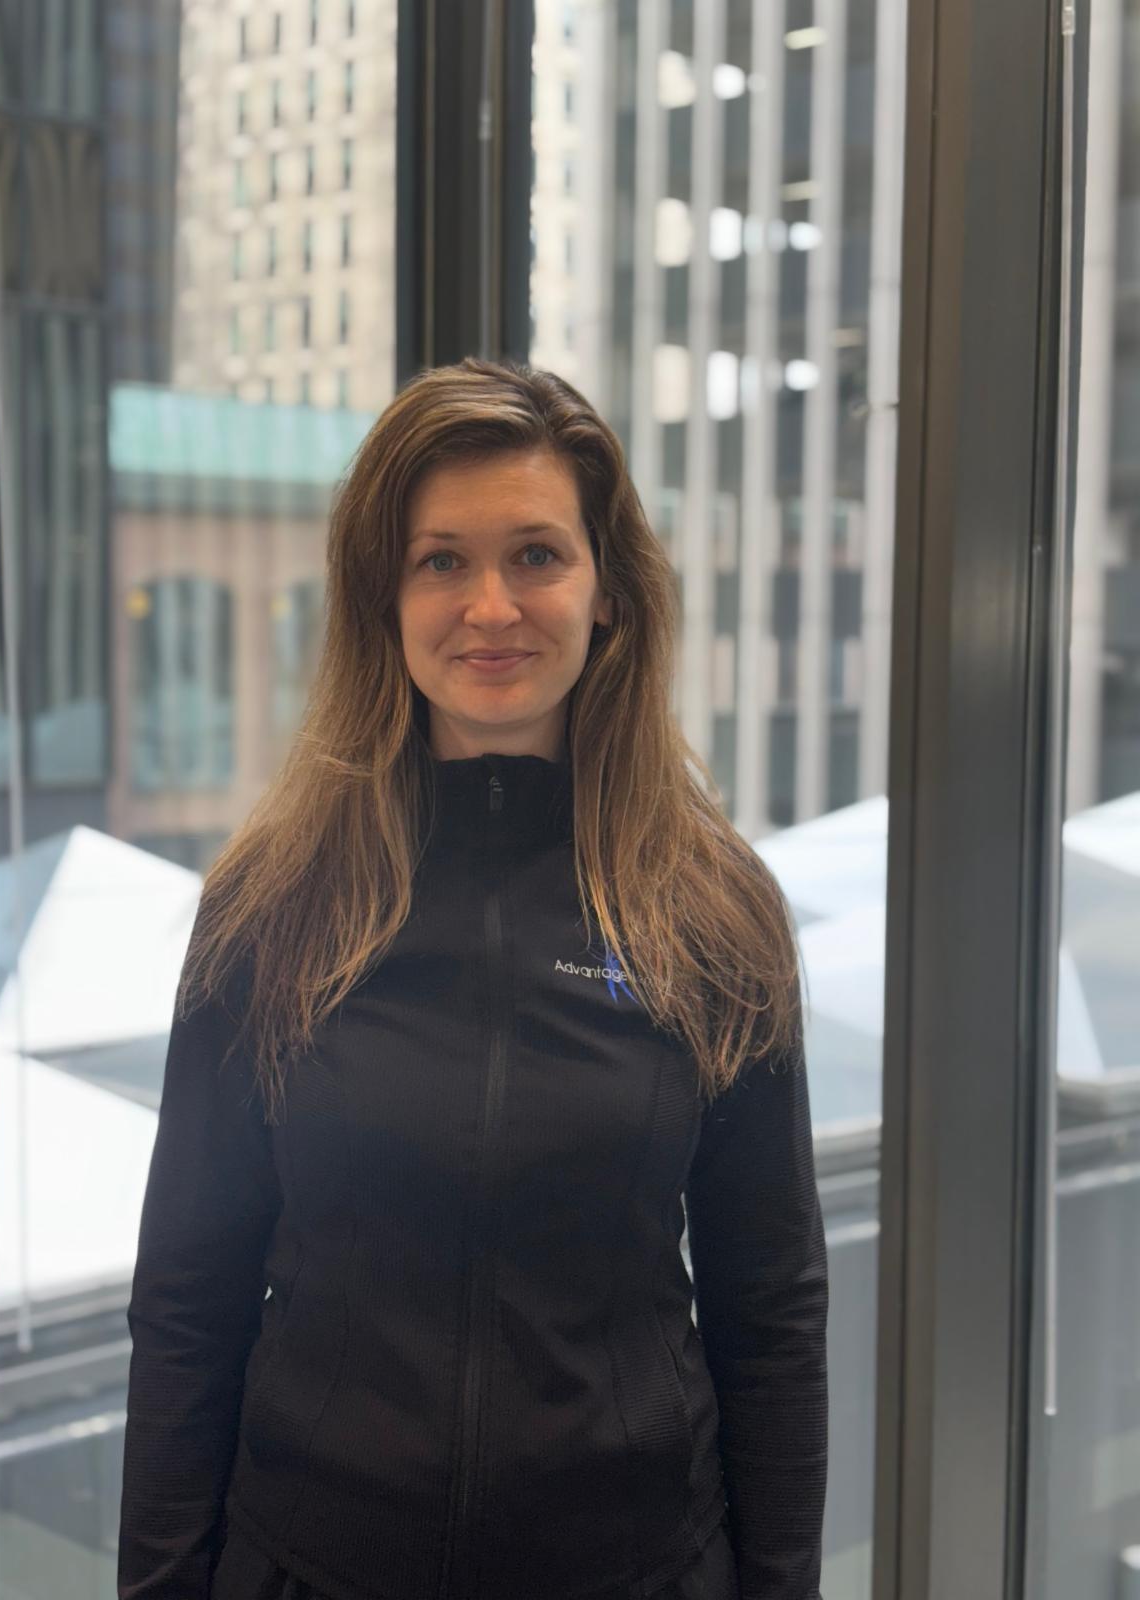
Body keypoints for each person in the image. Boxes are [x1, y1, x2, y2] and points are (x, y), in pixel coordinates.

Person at [117, 356, 829, 1600]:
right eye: (441, 560)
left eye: (537, 555)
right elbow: (189, 1296)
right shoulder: (272, 906)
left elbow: (770, 1312)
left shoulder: (713, 913)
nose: (491, 606)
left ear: (608, 591)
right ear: (382, 598)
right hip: (313, 1565)